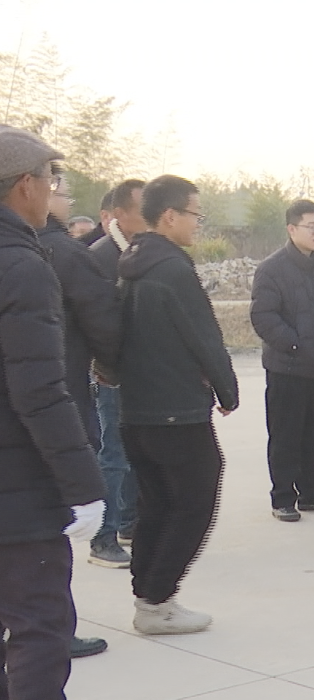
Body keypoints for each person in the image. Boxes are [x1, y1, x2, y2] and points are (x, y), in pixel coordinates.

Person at [0, 124, 107, 700]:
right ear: (25, 185)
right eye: (51, 179)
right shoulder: (21, 265)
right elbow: (39, 390)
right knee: (40, 625)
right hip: (19, 484)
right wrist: (84, 485)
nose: (52, 191)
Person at [117, 174, 239, 634]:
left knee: (158, 504)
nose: (197, 224)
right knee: (194, 503)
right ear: (169, 216)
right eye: (195, 215)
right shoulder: (172, 269)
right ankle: (157, 600)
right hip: (176, 410)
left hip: (137, 409)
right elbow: (204, 336)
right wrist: (228, 390)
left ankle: (148, 597)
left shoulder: (130, 263)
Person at [39, 173, 125, 581]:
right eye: (63, 193)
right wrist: (111, 368)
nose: (69, 202)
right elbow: (104, 323)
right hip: (56, 398)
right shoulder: (63, 253)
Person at [250, 200, 314, 522]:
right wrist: (295, 345)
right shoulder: (272, 269)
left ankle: (311, 493)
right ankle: (283, 498)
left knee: (313, 435)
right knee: (285, 436)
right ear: (292, 229)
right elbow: (263, 317)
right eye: (311, 226)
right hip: (288, 368)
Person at [87, 179, 146, 561]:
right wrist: (108, 366)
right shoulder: (100, 257)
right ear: (119, 214)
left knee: (137, 453)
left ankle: (129, 522)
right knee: (113, 456)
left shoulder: (143, 252)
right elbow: (95, 322)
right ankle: (102, 537)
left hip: (141, 372)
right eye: (143, 209)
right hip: (111, 375)